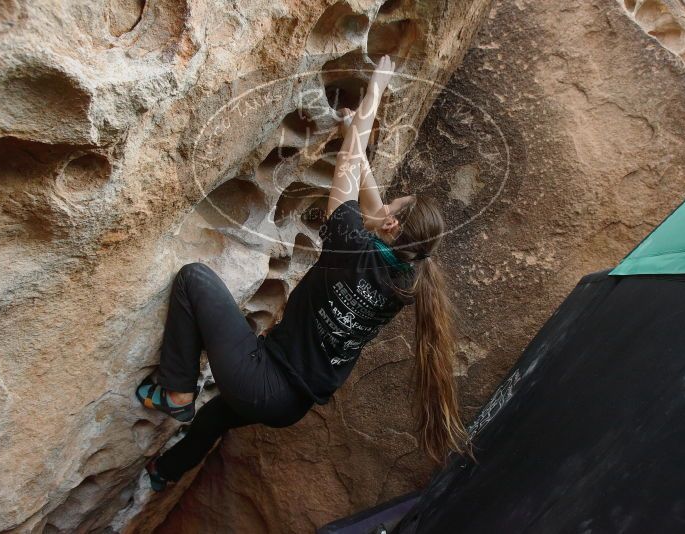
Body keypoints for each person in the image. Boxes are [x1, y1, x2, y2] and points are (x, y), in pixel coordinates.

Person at [135, 55, 473, 492]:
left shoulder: (351, 245)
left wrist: (375, 91)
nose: (385, 204)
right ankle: (165, 471)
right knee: (218, 415)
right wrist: (355, 131)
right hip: (288, 405)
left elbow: (350, 178)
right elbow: (370, 201)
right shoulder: (408, 279)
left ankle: (176, 393)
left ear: (390, 226)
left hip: (263, 378)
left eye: (393, 207)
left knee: (194, 279)